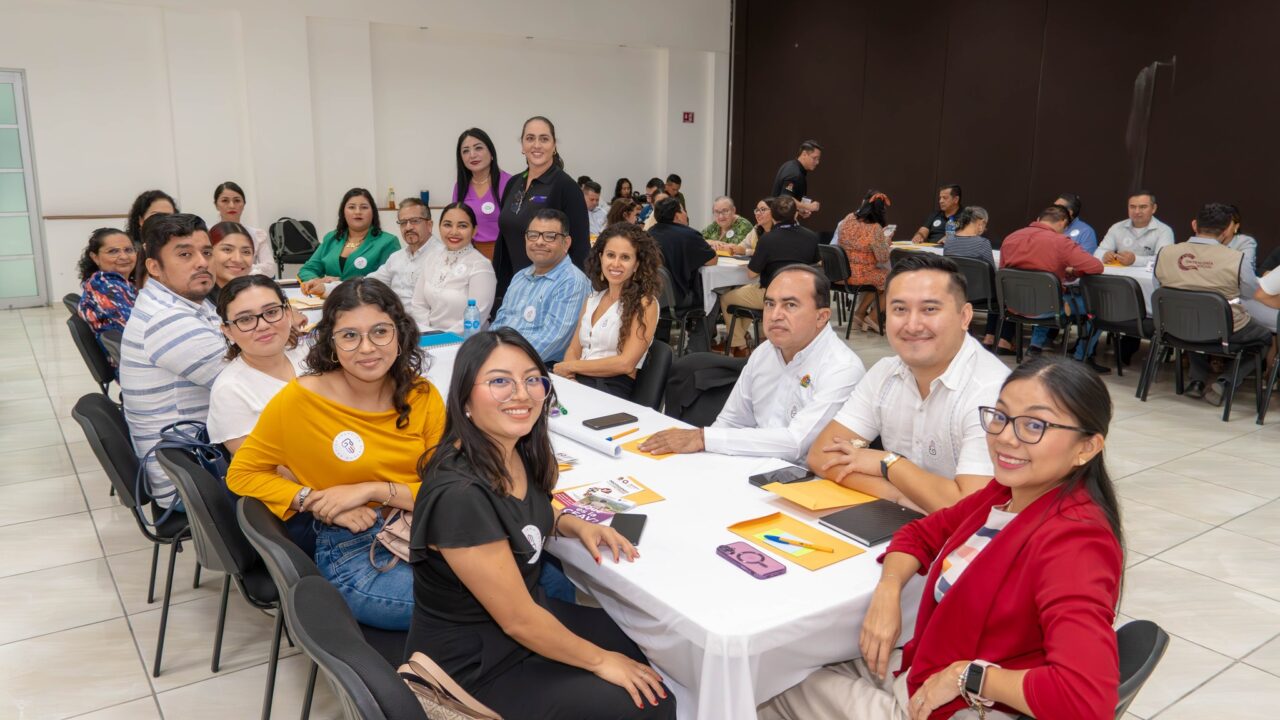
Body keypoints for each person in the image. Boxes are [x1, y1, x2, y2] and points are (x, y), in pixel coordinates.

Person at [764, 357, 1123, 720]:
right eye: (1000, 416)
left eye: (1034, 425)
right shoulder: (1005, 494)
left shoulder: (1076, 541)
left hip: (952, 706)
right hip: (923, 669)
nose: (1005, 437)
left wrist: (968, 675)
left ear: (1087, 448)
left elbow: (1085, 700)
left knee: (769, 685)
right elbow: (921, 532)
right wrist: (889, 589)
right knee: (792, 663)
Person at [407, 328, 675, 719]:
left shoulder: (511, 451)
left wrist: (573, 524)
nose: (521, 393)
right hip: (475, 666)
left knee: (643, 643)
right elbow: (518, 621)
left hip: (517, 626)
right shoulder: (460, 496)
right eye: (500, 381)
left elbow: (529, 510)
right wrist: (600, 662)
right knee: (647, 701)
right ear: (465, 397)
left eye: (533, 379)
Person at [226, 278, 445, 630]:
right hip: (353, 549)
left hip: (424, 529)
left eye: (380, 331)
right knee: (470, 604)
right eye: (349, 336)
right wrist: (310, 499)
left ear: (400, 334)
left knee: (529, 580)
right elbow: (242, 473)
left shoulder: (422, 395)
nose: (367, 348)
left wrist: (374, 490)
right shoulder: (300, 401)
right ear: (330, 341)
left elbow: (446, 488)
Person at [806, 253, 1010, 513]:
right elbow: (821, 457)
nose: (912, 325)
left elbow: (971, 507)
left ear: (964, 316)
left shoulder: (992, 392)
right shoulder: (885, 373)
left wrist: (889, 464)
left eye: (930, 309)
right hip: (900, 524)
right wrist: (901, 496)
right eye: (900, 309)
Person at [640, 266, 865, 465]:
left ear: (822, 316)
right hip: (749, 464)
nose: (775, 315)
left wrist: (703, 438)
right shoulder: (765, 352)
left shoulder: (842, 368)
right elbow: (731, 420)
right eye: (769, 303)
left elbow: (795, 443)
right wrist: (707, 465)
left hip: (803, 483)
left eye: (790, 305)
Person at [120, 213, 226, 508]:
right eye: (185, 254)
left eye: (206, 252)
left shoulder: (186, 300)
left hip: (198, 457)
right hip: (192, 479)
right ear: (154, 267)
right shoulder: (166, 320)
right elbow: (249, 383)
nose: (202, 262)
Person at [1153, 202, 1270, 406]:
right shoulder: (1236, 259)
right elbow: (1252, 292)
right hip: (1221, 330)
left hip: (1174, 326)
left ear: (1194, 225)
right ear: (1226, 230)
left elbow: (1158, 287)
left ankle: (1197, 381)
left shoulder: (1165, 252)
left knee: (1190, 316)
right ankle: (1226, 382)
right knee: (1264, 338)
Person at [554, 224, 661, 398]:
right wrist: (571, 378)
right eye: (610, 255)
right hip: (577, 380)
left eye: (625, 257)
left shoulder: (645, 303)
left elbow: (625, 364)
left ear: (636, 265)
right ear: (601, 257)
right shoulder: (593, 298)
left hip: (611, 388)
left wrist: (569, 367)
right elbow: (574, 349)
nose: (616, 263)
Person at [207, 275, 308, 453]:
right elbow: (264, 469)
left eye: (271, 312)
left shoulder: (308, 356)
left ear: (287, 313)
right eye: (245, 319)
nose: (262, 326)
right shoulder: (231, 391)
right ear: (228, 331)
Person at [494, 116, 590, 301]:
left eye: (544, 139)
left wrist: (574, 295)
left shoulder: (566, 186)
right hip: (513, 287)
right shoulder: (513, 183)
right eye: (530, 138)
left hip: (550, 291)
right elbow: (505, 240)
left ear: (554, 146)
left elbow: (580, 249)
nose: (536, 145)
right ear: (522, 146)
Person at [998, 206, 1105, 365]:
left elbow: (1003, 272)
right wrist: (1073, 271)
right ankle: (1082, 357)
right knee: (1098, 308)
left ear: (1039, 219)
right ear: (1063, 223)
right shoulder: (1060, 242)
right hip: (1047, 309)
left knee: (1049, 295)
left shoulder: (1011, 237)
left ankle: (1035, 347)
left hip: (1014, 306)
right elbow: (1096, 267)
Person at [719, 196, 819, 353]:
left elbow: (752, 273)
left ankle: (739, 345)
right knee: (744, 297)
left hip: (771, 295)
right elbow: (817, 265)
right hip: (802, 295)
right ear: (795, 215)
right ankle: (740, 341)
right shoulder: (812, 237)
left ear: (773, 216)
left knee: (726, 298)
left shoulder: (767, 239)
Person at [492, 209, 591, 363]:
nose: (539, 241)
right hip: (500, 358)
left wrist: (500, 359)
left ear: (566, 243)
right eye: (533, 235)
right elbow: (499, 323)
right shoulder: (520, 277)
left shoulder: (572, 282)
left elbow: (551, 341)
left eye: (550, 237)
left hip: (540, 369)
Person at [409, 202, 497, 334]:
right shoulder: (432, 258)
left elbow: (477, 316)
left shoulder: (481, 265)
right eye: (447, 225)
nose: (454, 232)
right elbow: (418, 304)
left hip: (465, 341)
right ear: (439, 227)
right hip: (428, 337)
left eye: (462, 226)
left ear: (474, 230)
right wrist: (428, 333)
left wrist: (443, 338)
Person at [298, 188, 400, 295]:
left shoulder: (388, 242)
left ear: (373, 212)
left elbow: (387, 283)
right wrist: (318, 281)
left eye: (364, 207)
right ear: (343, 212)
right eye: (351, 207)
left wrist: (334, 287)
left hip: (367, 303)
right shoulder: (331, 238)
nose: (357, 212)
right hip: (327, 302)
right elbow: (306, 270)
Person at [943, 206, 1001, 347]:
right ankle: (990, 336)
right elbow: (991, 272)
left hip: (956, 291)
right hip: (981, 294)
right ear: (980, 222)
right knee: (1000, 294)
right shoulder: (983, 243)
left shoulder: (949, 241)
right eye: (985, 225)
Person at [837, 190, 892, 333]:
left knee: (878, 279)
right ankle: (873, 317)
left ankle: (860, 314)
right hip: (859, 276)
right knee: (891, 279)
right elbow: (883, 257)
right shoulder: (875, 228)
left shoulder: (848, 218)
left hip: (839, 273)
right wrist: (885, 242)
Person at [453, 128, 512, 260]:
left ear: (491, 153)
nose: (472, 155)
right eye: (465, 151)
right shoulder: (460, 187)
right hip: (469, 255)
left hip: (505, 255)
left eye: (478, 148)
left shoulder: (510, 182)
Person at [648, 197, 717, 308]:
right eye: (683, 210)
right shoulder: (689, 235)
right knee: (714, 294)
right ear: (677, 215)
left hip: (653, 295)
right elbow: (712, 260)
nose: (686, 213)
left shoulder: (649, 233)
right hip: (679, 296)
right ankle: (702, 326)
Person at [367, 198, 434, 306]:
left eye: (415, 221)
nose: (408, 227)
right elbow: (370, 283)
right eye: (403, 222)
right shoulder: (396, 258)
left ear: (429, 225)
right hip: (396, 319)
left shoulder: (442, 256)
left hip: (426, 321)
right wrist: (331, 287)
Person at [76, 228, 138, 340]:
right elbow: (137, 331)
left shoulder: (118, 283)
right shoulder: (105, 287)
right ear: (95, 258)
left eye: (128, 250)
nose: (124, 256)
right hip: (130, 355)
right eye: (113, 251)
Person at [212, 181, 276, 276]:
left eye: (237, 200)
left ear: (244, 204)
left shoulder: (257, 234)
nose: (231, 206)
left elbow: (270, 269)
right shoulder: (207, 234)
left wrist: (237, 268)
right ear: (216, 205)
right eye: (225, 200)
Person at [1094, 190, 1175, 266]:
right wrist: (1104, 255)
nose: (1137, 211)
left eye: (1143, 207)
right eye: (1132, 207)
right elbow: (1098, 253)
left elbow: (1163, 261)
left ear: (1153, 208)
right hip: (1118, 277)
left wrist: (1135, 260)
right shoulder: (1117, 227)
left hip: (1148, 279)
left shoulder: (1164, 231)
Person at [772, 140, 822, 218]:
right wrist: (809, 206)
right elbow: (785, 199)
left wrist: (799, 210)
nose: (817, 162)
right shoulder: (794, 173)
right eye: (815, 158)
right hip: (781, 224)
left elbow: (785, 201)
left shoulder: (789, 165)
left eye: (818, 159)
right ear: (804, 154)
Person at [207, 221, 255, 299]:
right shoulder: (198, 302)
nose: (238, 259)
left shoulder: (259, 296)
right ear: (208, 253)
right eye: (227, 249)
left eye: (246, 252)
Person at [1224, 204, 1258, 272]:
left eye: (1226, 223)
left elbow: (1244, 270)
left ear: (1236, 226)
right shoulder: (1209, 240)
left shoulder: (1245, 242)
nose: (1221, 227)